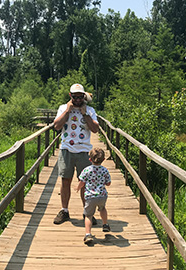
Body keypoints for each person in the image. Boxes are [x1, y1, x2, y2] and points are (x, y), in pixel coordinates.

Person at [53, 83, 99, 225]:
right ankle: (64, 211)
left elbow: (95, 129)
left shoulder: (90, 110)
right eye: (75, 97)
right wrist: (68, 110)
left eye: (80, 97)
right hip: (67, 149)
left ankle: (87, 212)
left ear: (84, 96)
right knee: (65, 180)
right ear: (70, 96)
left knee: (85, 183)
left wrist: (85, 113)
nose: (78, 100)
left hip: (84, 151)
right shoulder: (63, 108)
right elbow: (56, 126)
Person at [75, 148, 111, 244]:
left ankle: (88, 234)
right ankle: (105, 224)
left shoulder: (87, 170)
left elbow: (82, 182)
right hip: (102, 195)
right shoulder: (105, 170)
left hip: (90, 196)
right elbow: (108, 183)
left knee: (88, 215)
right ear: (103, 159)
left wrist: (78, 188)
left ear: (90, 159)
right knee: (102, 209)